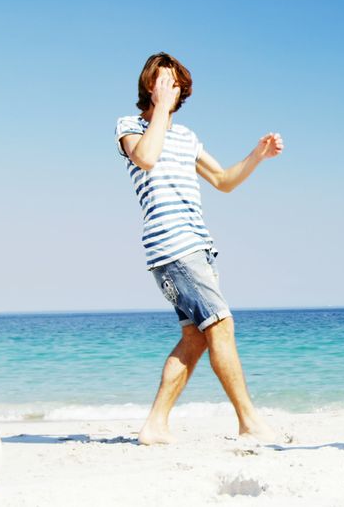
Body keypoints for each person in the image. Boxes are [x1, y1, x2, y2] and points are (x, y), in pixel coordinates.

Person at [115, 52, 283, 443]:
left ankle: (155, 425)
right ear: (148, 86)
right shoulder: (130, 126)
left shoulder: (187, 137)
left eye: (173, 82)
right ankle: (248, 421)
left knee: (196, 338)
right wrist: (158, 109)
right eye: (160, 81)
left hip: (198, 245)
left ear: (183, 88)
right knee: (221, 324)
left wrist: (257, 156)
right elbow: (146, 157)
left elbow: (223, 180)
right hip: (172, 246)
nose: (167, 87)